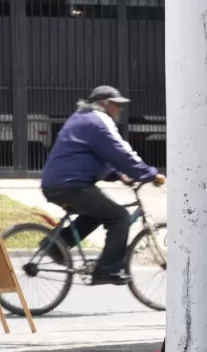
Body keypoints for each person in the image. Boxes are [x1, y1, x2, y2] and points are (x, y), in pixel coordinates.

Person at [39, 85, 164, 284]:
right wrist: (149, 174)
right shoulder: (98, 121)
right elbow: (120, 151)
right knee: (119, 217)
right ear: (105, 104)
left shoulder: (81, 118)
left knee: (97, 213)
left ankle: (56, 245)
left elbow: (91, 155)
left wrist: (118, 175)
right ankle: (107, 270)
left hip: (60, 183)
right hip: (71, 185)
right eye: (117, 105)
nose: (119, 110)